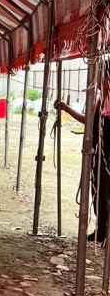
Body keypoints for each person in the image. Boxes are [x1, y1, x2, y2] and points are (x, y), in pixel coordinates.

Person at [56, 63, 110, 244]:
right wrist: (66, 108)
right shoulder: (98, 98)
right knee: (97, 189)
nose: (98, 81)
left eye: (101, 77)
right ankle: (101, 228)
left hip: (107, 151)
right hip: (97, 151)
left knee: (106, 189)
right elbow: (88, 120)